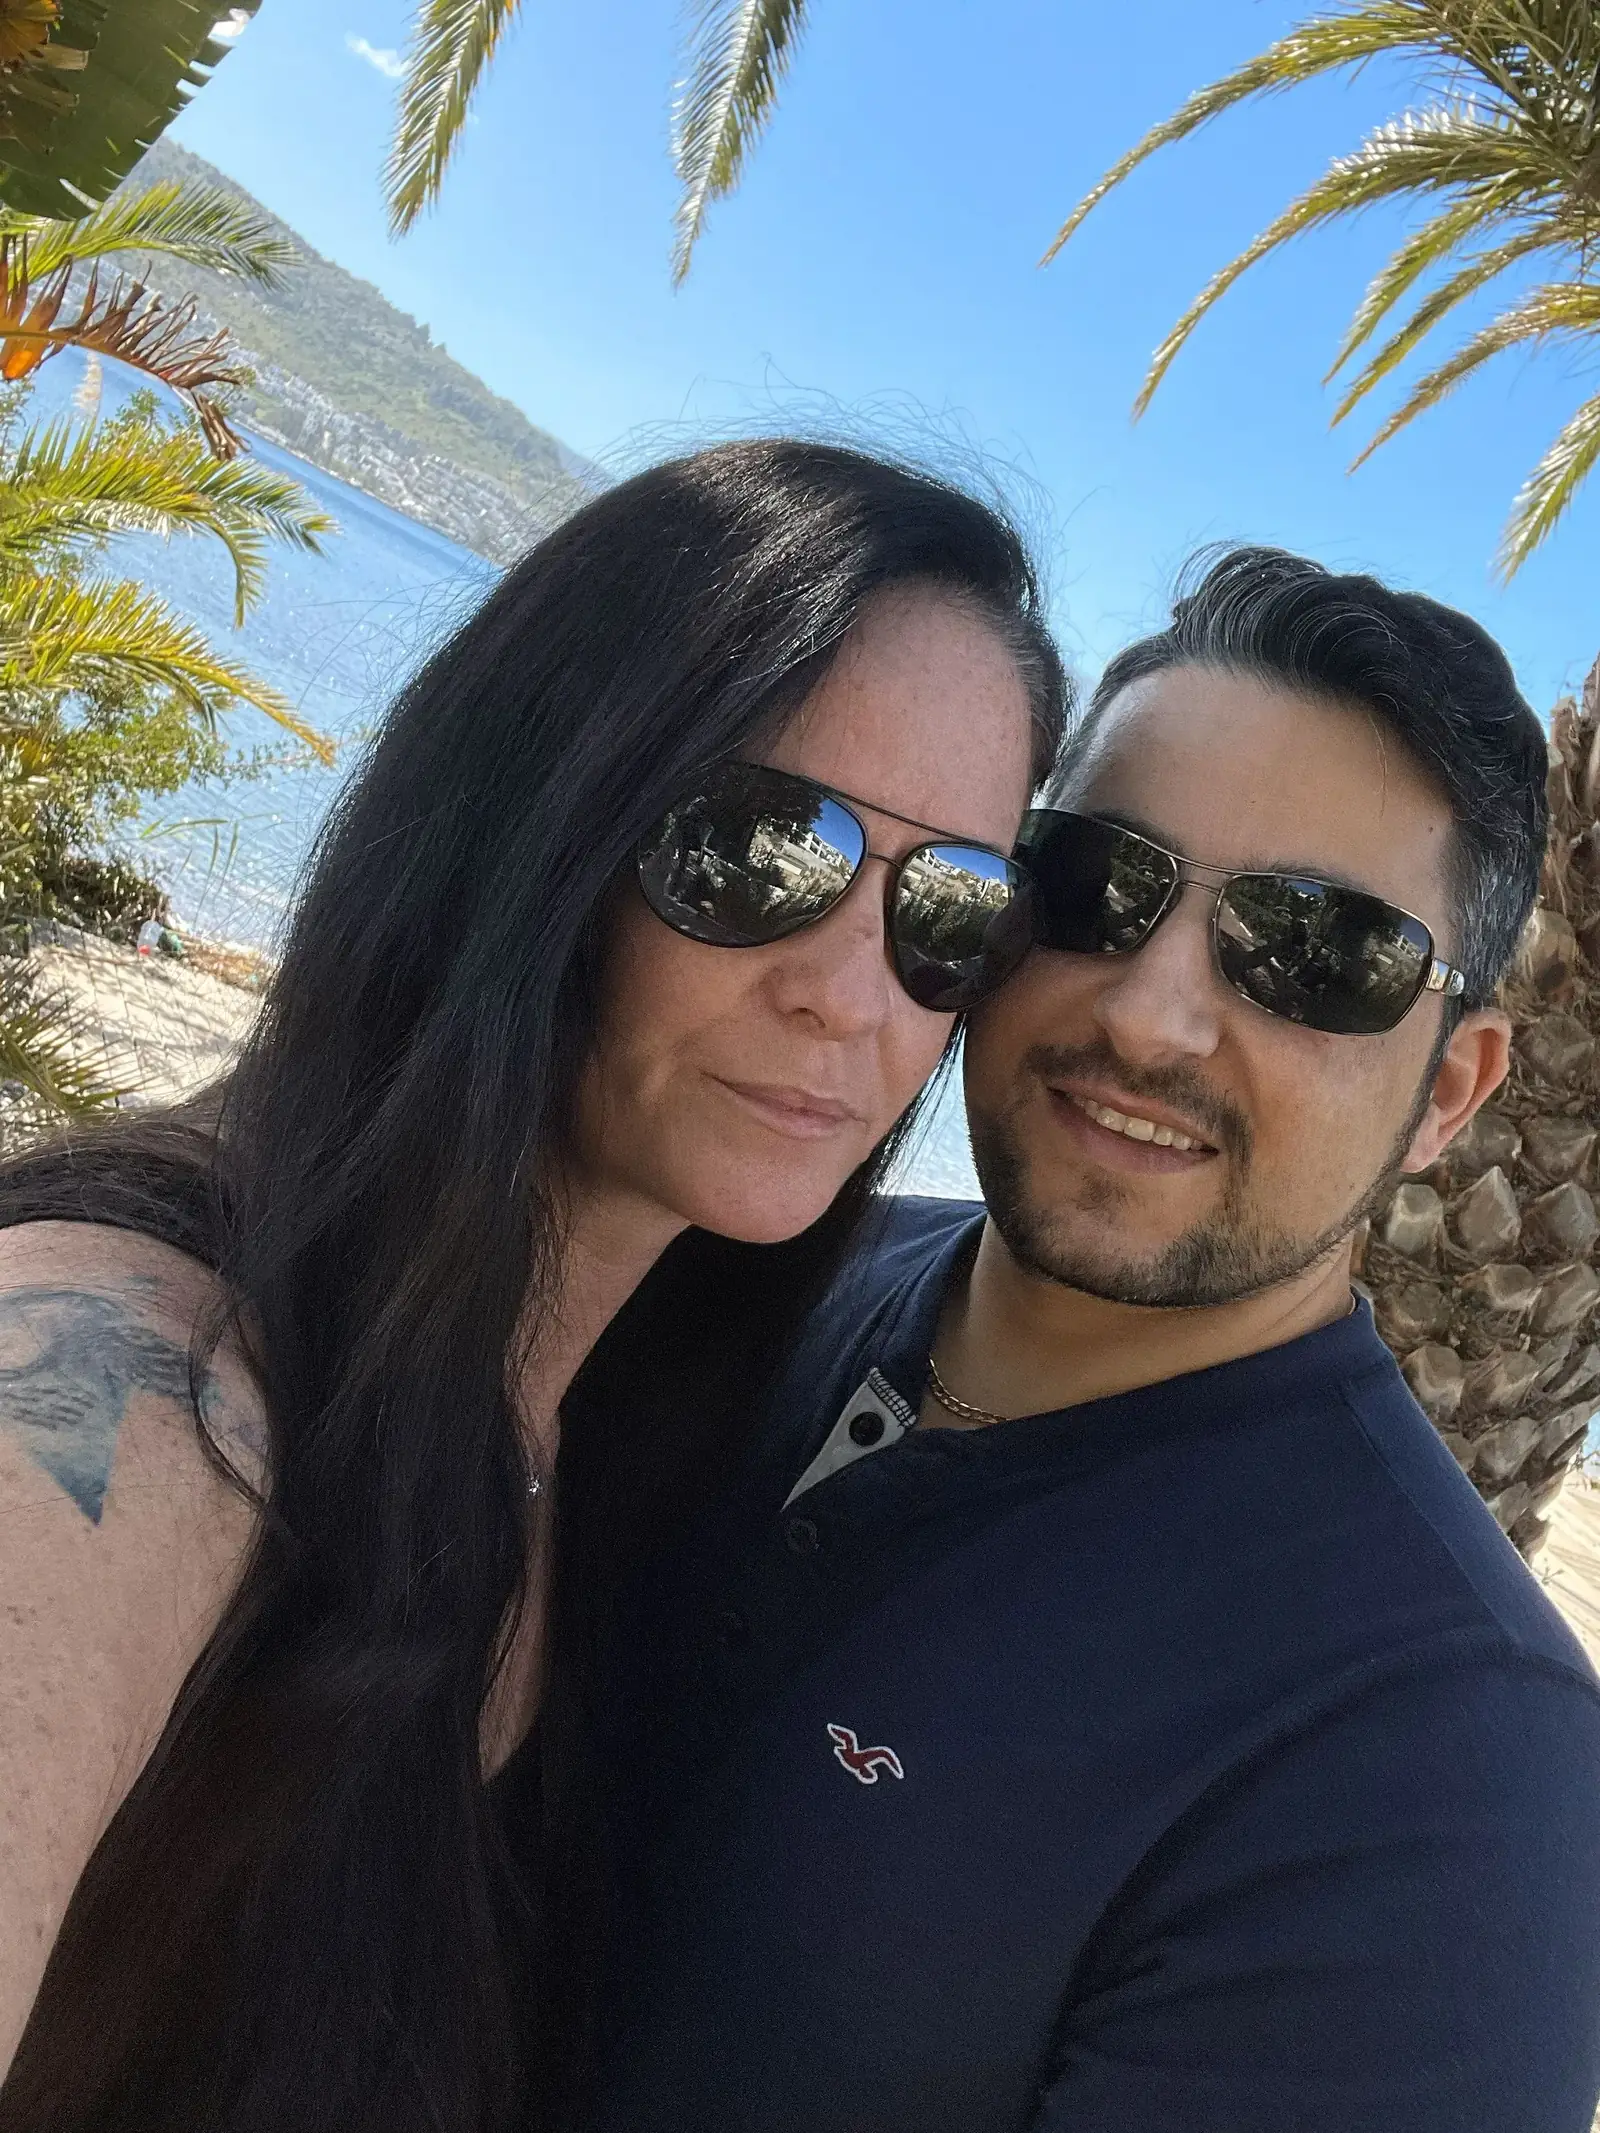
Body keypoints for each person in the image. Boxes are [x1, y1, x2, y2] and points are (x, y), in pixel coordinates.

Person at [0, 439, 1070, 2132]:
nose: (854, 993)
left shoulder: (621, 1450)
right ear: (537, 817)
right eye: (760, 846)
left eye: (952, 904)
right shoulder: (129, 1371)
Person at [581, 549, 1600, 2133]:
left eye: (1316, 955)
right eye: (1092, 883)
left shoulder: (1439, 1774)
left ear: (1451, 1093)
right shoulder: (747, 1273)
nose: (1151, 1015)